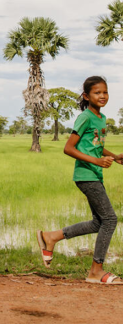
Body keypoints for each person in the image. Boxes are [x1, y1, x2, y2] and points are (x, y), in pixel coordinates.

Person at [37, 76, 123, 285]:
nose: (102, 96)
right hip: (86, 175)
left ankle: (51, 237)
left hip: (94, 174)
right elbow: (69, 148)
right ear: (86, 96)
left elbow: (95, 146)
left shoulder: (101, 118)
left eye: (105, 92)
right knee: (110, 220)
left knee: (99, 222)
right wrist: (96, 161)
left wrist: (115, 156)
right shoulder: (85, 117)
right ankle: (96, 270)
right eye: (97, 92)